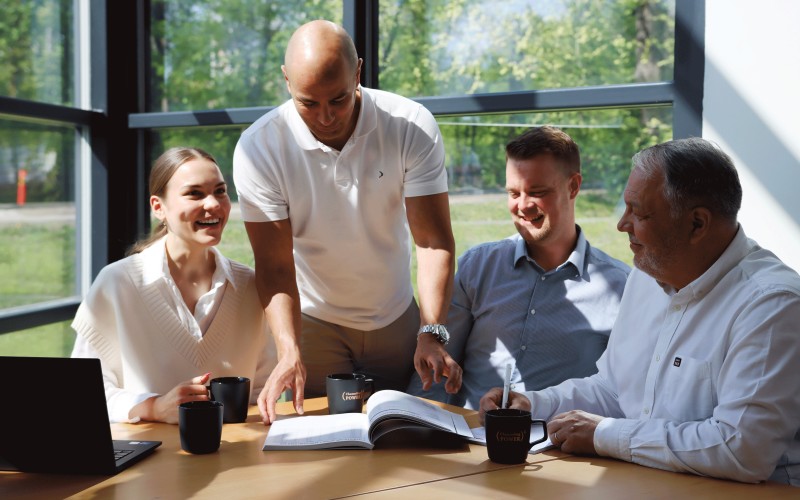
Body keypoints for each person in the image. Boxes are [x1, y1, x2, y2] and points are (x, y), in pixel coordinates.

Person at [479, 137, 800, 485]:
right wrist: (533, 406)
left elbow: (742, 450)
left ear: (697, 224)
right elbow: (615, 390)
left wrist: (605, 435)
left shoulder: (771, 304)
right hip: (645, 483)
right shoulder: (647, 276)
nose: (622, 224)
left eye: (639, 212)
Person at [232, 20, 460, 424]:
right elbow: (275, 266)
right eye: (308, 103)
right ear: (286, 81)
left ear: (357, 71)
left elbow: (432, 243)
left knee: (396, 435)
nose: (325, 117)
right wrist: (288, 351)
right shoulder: (258, 147)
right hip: (316, 322)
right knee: (325, 439)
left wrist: (431, 332)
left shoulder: (410, 125)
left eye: (338, 100)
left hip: (395, 317)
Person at [407, 126, 629, 408]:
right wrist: (414, 423)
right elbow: (435, 368)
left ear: (573, 186)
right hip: (469, 437)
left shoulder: (621, 288)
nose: (522, 206)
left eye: (537, 192)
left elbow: (623, 394)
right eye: (513, 193)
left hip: (556, 444)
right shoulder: (478, 267)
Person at [71, 147, 276, 424]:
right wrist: (154, 408)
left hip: (236, 455)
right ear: (159, 207)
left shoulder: (250, 286)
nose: (214, 204)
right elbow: (86, 395)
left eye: (220, 191)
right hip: (147, 461)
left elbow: (264, 391)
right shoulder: (116, 284)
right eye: (195, 193)